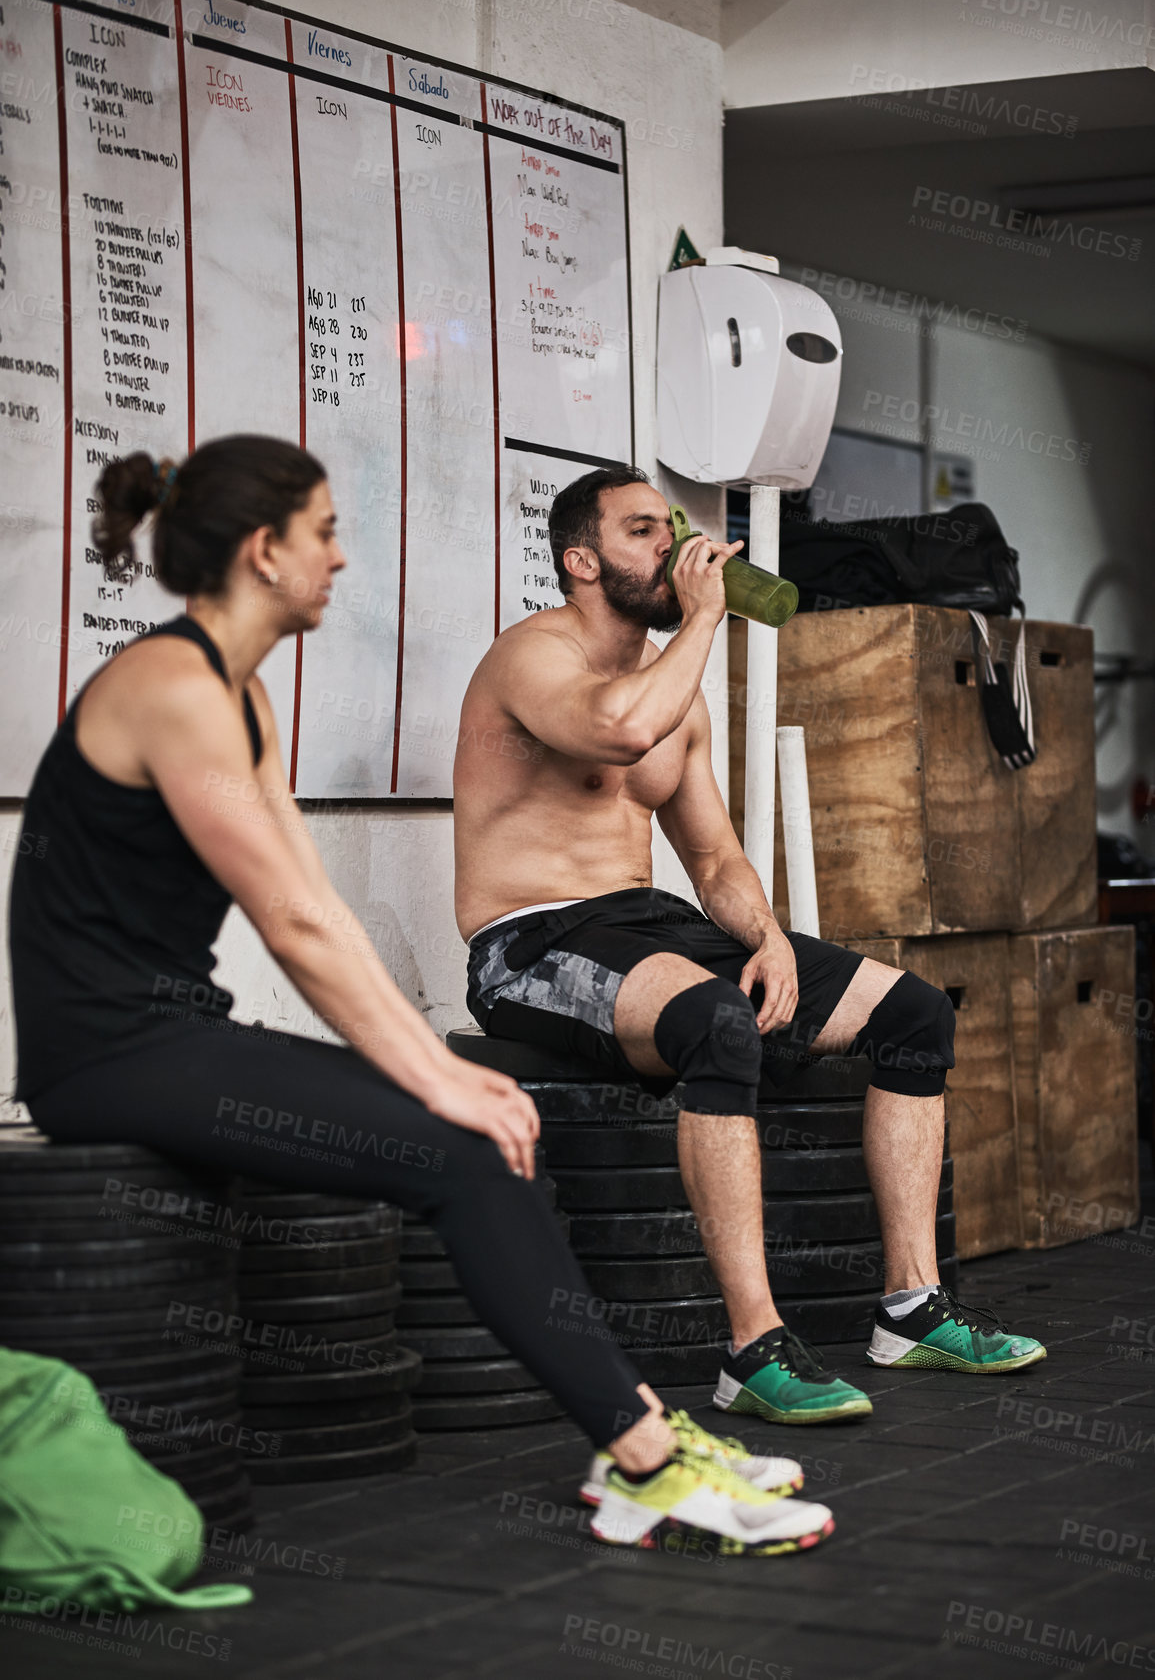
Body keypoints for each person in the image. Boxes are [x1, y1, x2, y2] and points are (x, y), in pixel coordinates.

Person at [6, 435, 837, 1559]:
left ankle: (636, 1440)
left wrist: (437, 1075)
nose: (341, 560)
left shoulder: (230, 695)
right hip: (106, 1054)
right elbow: (297, 928)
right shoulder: (172, 685)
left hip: (169, 1031)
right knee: (466, 1148)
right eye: (325, 533)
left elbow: (315, 910)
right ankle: (643, 1458)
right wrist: (442, 1076)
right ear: (265, 551)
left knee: (468, 1133)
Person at [453, 465, 1046, 1427]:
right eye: (643, 530)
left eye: (670, 526)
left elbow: (714, 853)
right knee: (719, 1024)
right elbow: (618, 728)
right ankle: (753, 1347)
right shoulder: (532, 658)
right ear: (581, 560)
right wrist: (703, 617)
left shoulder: (674, 692)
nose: (676, 545)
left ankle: (910, 1306)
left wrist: (767, 935)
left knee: (913, 1012)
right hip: (530, 938)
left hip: (645, 920)